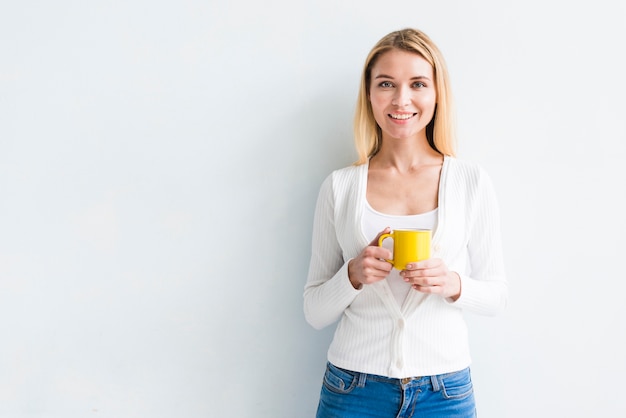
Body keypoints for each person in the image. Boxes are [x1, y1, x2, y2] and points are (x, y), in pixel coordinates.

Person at [303, 28, 508, 418]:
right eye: (386, 84)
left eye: (417, 84)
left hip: (444, 392)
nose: (401, 100)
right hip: (353, 390)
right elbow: (314, 311)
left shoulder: (470, 181)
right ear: (369, 94)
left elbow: (497, 295)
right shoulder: (340, 186)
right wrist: (353, 275)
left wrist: (452, 284)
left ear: (436, 93)